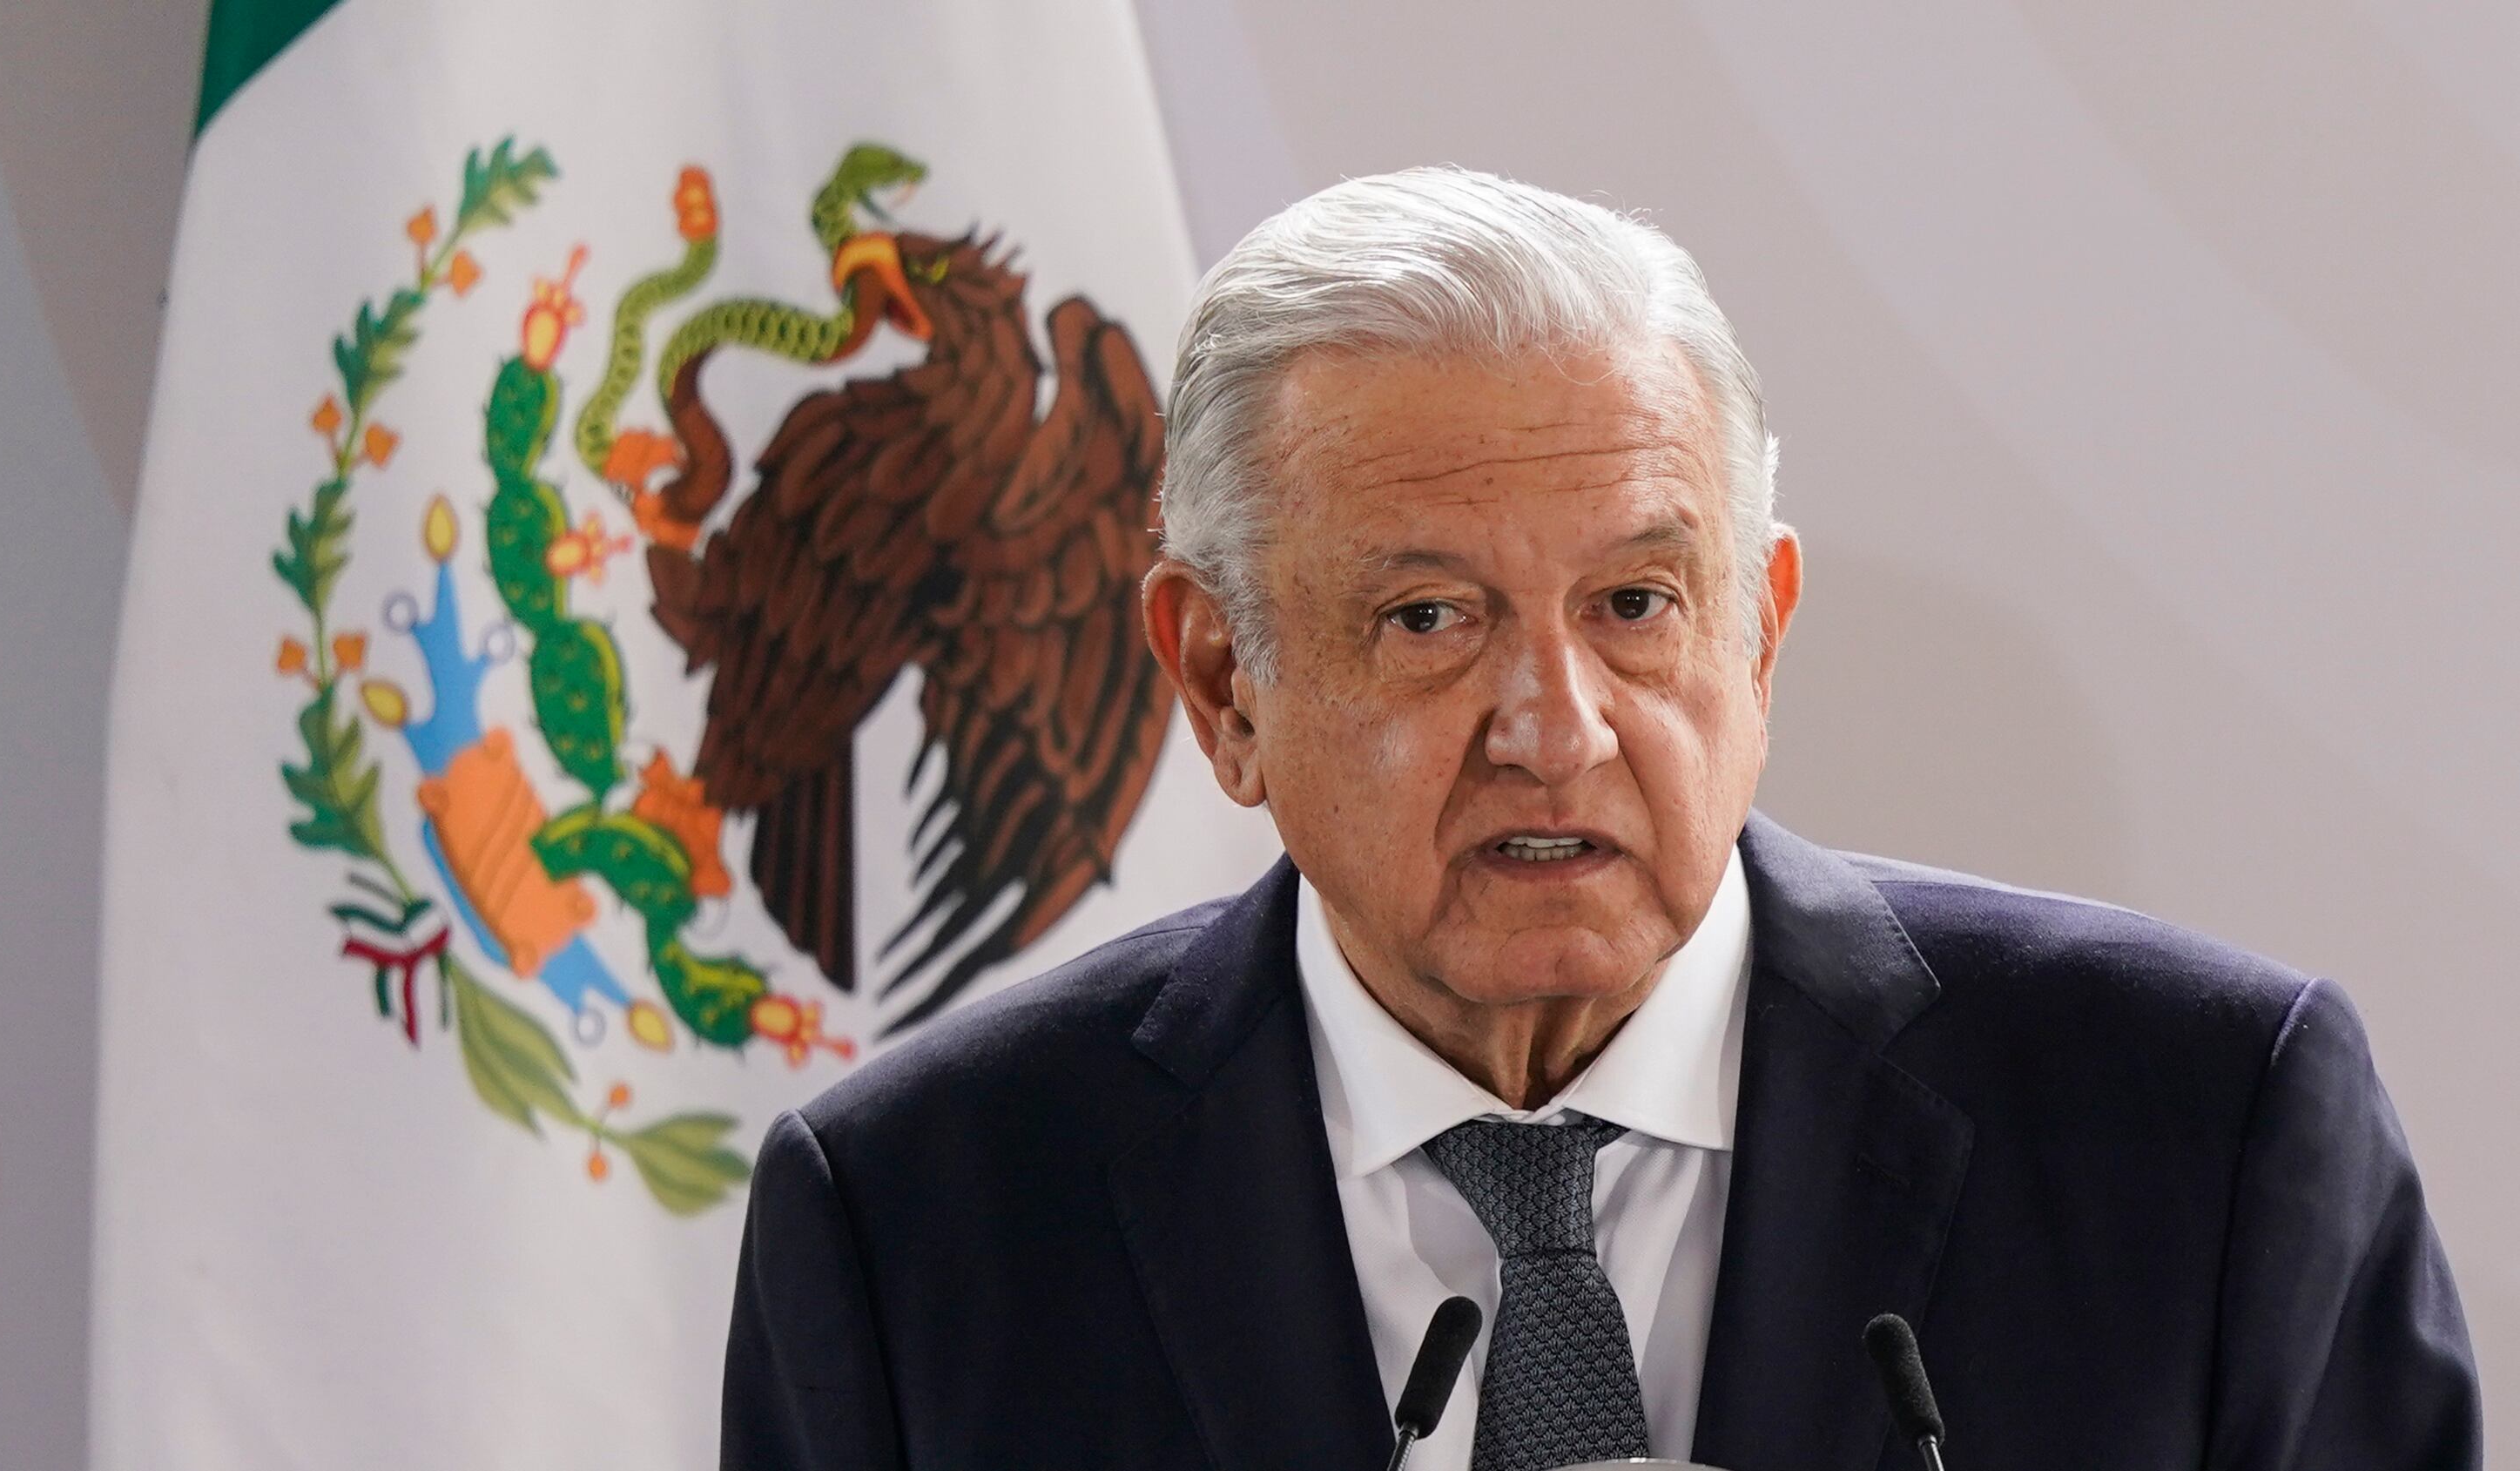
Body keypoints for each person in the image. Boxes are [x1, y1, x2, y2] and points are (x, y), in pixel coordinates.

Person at [718, 167, 2480, 1471]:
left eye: (1636, 603)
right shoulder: (919, 1224)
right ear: (1221, 680)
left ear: (1758, 634)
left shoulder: (2202, 1133)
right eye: (1427, 618)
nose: (1553, 729)